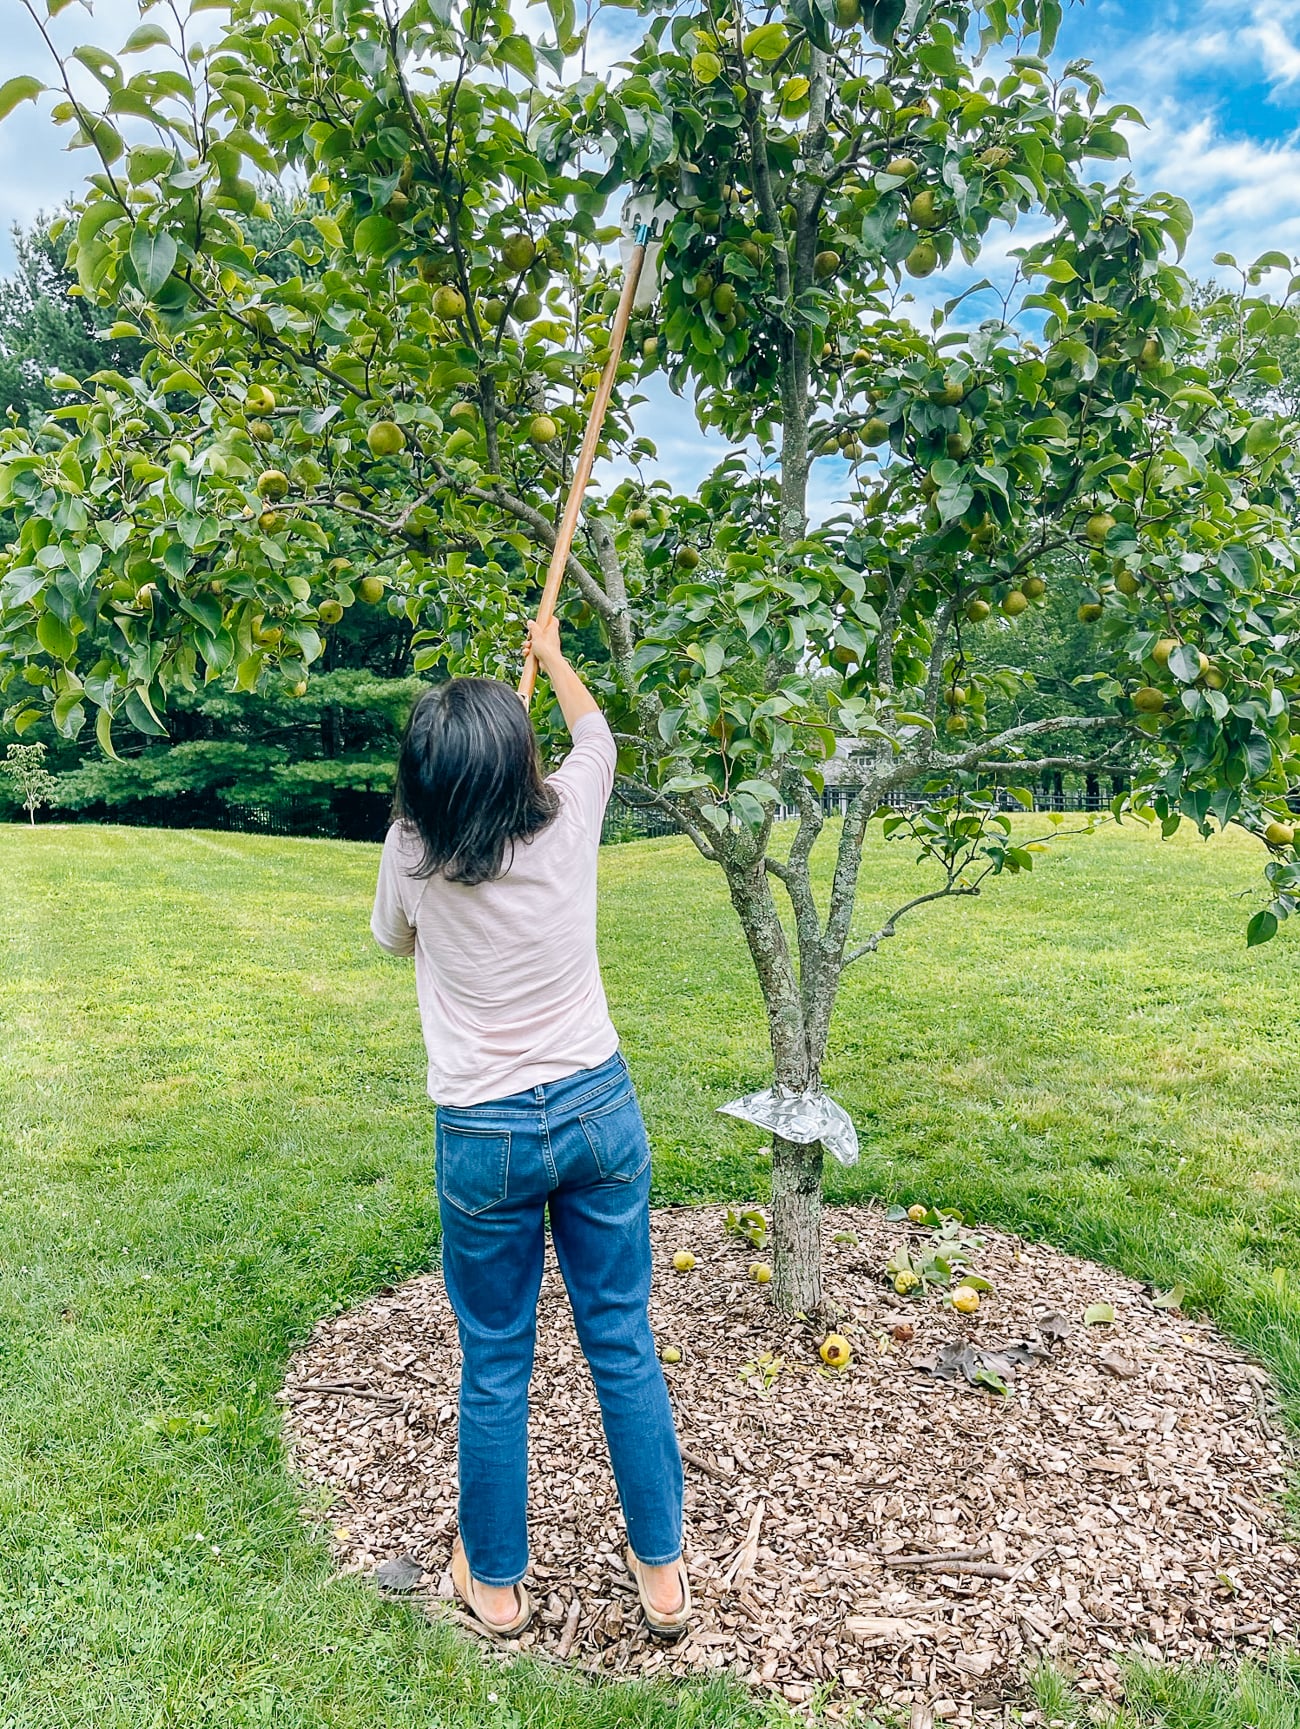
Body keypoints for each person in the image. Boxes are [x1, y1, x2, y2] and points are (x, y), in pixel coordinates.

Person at [369, 617, 689, 1641]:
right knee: (621, 1341)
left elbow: (391, 941)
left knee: (496, 1357)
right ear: (521, 761)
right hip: (596, 1107)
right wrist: (552, 657)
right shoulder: (570, 812)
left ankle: (497, 1584)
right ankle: (663, 1575)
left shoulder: (411, 851)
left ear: (422, 780)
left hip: (484, 1132)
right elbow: (596, 735)